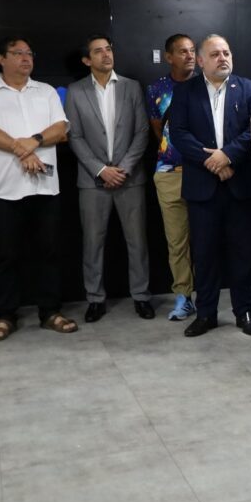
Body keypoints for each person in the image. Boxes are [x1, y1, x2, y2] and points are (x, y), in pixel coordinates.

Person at [0, 37, 77, 340]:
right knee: (5, 255)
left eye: (29, 53)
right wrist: (22, 149)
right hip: (3, 189)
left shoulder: (46, 91)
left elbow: (60, 130)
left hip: (45, 188)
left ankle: (50, 311)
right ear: (1, 59)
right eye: (18, 53)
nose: (26, 58)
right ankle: (5, 316)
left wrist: (34, 141)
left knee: (49, 253)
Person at [169, 34, 251, 337]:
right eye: (215, 54)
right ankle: (206, 314)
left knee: (243, 253)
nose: (223, 58)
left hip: (240, 183)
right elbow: (179, 133)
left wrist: (228, 156)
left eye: (226, 52)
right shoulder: (185, 91)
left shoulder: (249, 89)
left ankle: (244, 311)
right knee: (205, 254)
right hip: (202, 185)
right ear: (200, 61)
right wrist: (212, 161)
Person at [65, 34, 153, 323]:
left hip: (130, 178)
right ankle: (95, 299)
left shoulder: (131, 86)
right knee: (93, 243)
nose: (106, 55)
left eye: (109, 49)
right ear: (86, 60)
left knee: (137, 241)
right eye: (98, 51)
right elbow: (75, 136)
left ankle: (141, 296)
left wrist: (123, 168)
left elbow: (142, 132)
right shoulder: (75, 91)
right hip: (93, 181)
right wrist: (101, 170)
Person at [146, 34, 197, 321]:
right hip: (168, 173)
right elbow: (157, 129)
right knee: (177, 242)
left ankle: (207, 295)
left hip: (202, 172)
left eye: (192, 51)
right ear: (169, 57)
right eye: (182, 51)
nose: (189, 56)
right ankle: (183, 296)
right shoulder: (157, 89)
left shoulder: (206, 85)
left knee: (205, 238)